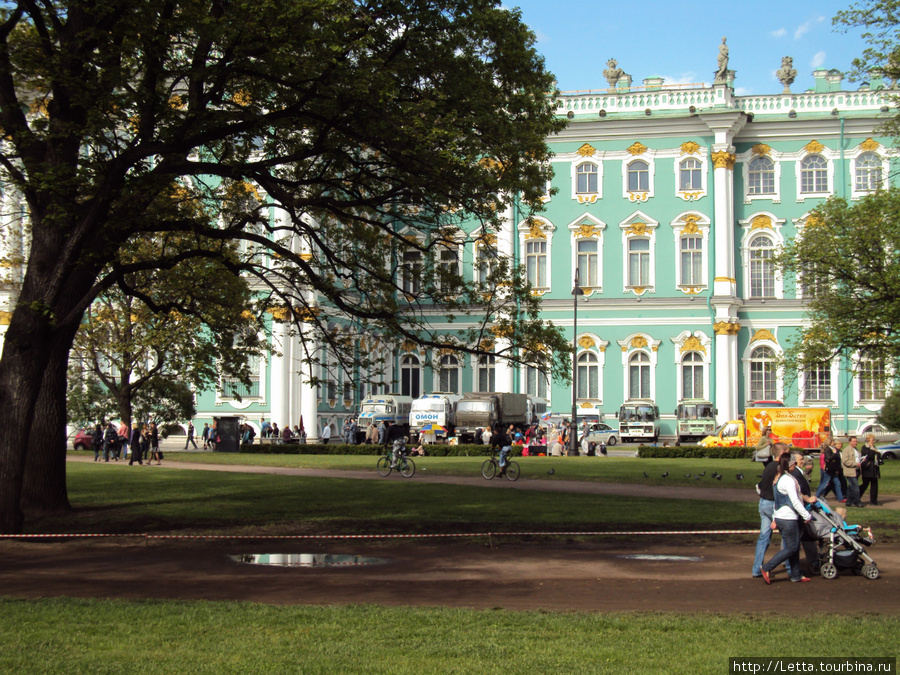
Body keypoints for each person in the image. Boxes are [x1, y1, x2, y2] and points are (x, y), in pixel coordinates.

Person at [760, 452, 815, 584]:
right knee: (791, 548)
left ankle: (796, 575)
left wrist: (774, 518)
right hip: (788, 519)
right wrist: (806, 515)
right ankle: (767, 567)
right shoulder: (788, 480)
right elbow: (795, 501)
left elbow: (777, 502)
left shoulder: (779, 478)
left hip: (782, 517)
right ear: (791, 464)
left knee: (794, 546)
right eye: (795, 463)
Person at [752, 442, 790, 578]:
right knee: (787, 535)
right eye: (788, 452)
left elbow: (760, 486)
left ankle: (756, 569)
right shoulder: (780, 468)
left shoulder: (768, 467)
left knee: (763, 538)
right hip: (773, 505)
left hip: (763, 503)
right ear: (782, 453)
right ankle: (788, 566)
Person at [815, 435, 844, 502]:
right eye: (833, 441)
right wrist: (834, 453)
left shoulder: (832, 449)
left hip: (833, 469)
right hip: (829, 469)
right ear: (830, 442)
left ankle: (840, 498)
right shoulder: (828, 449)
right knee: (824, 483)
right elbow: (828, 458)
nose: (834, 443)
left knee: (837, 483)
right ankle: (816, 496)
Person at [859, 433, 881, 506]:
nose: (873, 441)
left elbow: (877, 456)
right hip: (867, 469)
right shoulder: (864, 448)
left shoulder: (873, 447)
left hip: (874, 469)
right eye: (872, 440)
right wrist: (872, 449)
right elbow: (870, 456)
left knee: (875, 486)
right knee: (865, 484)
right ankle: (856, 497)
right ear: (868, 440)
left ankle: (873, 501)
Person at [842, 436, 862, 507]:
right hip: (850, 471)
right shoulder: (846, 450)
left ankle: (849, 502)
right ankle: (857, 501)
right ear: (850, 442)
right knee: (855, 486)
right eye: (854, 441)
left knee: (851, 487)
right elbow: (845, 461)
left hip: (856, 470)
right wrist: (855, 464)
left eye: (856, 441)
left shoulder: (856, 450)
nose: (855, 443)